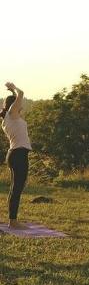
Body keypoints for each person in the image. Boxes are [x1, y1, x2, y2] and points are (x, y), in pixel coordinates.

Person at [1, 83, 31, 228]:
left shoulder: (9, 116)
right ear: (13, 106)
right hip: (18, 154)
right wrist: (15, 88)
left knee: (16, 187)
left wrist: (12, 92)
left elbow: (16, 99)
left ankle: (12, 220)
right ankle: (13, 221)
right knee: (17, 188)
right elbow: (22, 93)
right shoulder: (12, 115)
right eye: (19, 104)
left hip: (16, 153)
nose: (22, 106)